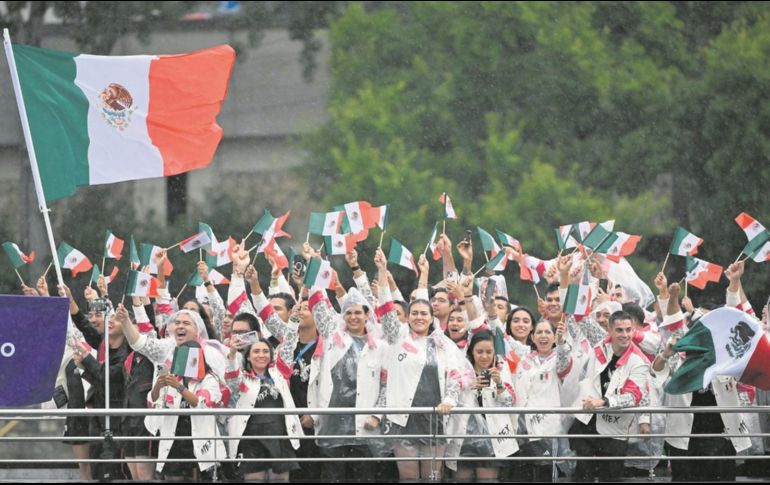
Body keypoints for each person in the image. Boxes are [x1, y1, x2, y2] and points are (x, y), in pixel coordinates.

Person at [374, 247, 466, 481]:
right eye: (414, 313)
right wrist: (382, 270)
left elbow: (457, 375)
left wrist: (449, 400)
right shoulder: (398, 337)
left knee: (432, 478)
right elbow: (385, 310)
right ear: (408, 315)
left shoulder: (442, 344)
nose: (419, 317)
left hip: (435, 419)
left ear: (431, 317)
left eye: (424, 313)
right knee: (409, 478)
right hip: (404, 420)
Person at [305, 273, 388, 482]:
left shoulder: (379, 347)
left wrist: (377, 416)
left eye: (358, 312)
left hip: (364, 425)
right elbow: (320, 309)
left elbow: (387, 386)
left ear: (367, 315)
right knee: (333, 476)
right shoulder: (333, 339)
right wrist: (315, 269)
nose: (353, 317)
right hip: (332, 424)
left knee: (364, 477)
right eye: (348, 312)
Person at [567, 310, 649, 482]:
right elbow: (579, 314)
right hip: (587, 421)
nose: (625, 335)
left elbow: (633, 397)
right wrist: (572, 283)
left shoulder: (638, 360)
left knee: (611, 478)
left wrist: (603, 402)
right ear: (610, 330)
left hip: (614, 430)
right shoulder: (599, 341)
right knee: (582, 476)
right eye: (620, 330)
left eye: (629, 330)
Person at [226, 335, 303, 482]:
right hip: (252, 438)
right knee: (254, 479)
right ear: (248, 357)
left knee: (279, 479)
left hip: (279, 435)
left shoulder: (279, 373)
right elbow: (232, 382)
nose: (261, 355)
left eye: (265, 351)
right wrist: (232, 354)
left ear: (271, 355)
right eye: (256, 351)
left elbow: (288, 346)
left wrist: (293, 322)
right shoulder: (243, 378)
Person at [446, 330, 518, 481]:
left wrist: (499, 383)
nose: (484, 356)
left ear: (494, 352)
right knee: (461, 479)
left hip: (493, 437)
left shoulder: (501, 370)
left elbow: (509, 403)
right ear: (471, 351)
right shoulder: (462, 372)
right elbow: (450, 401)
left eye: (488, 352)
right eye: (479, 351)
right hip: (464, 436)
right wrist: (470, 387)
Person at [515, 320, 572, 481]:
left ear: (554, 337)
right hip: (527, 426)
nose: (543, 336)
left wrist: (561, 343)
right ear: (532, 337)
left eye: (548, 332)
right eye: (539, 332)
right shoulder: (525, 361)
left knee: (549, 472)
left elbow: (564, 361)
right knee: (531, 472)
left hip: (551, 427)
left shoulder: (559, 359)